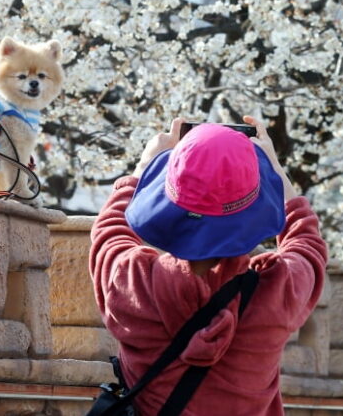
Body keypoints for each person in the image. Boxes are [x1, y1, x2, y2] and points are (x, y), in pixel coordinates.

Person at [90, 116, 328, 415]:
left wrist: (145, 165)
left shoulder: (132, 281)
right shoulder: (278, 292)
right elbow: (307, 245)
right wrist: (274, 169)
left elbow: (110, 231)